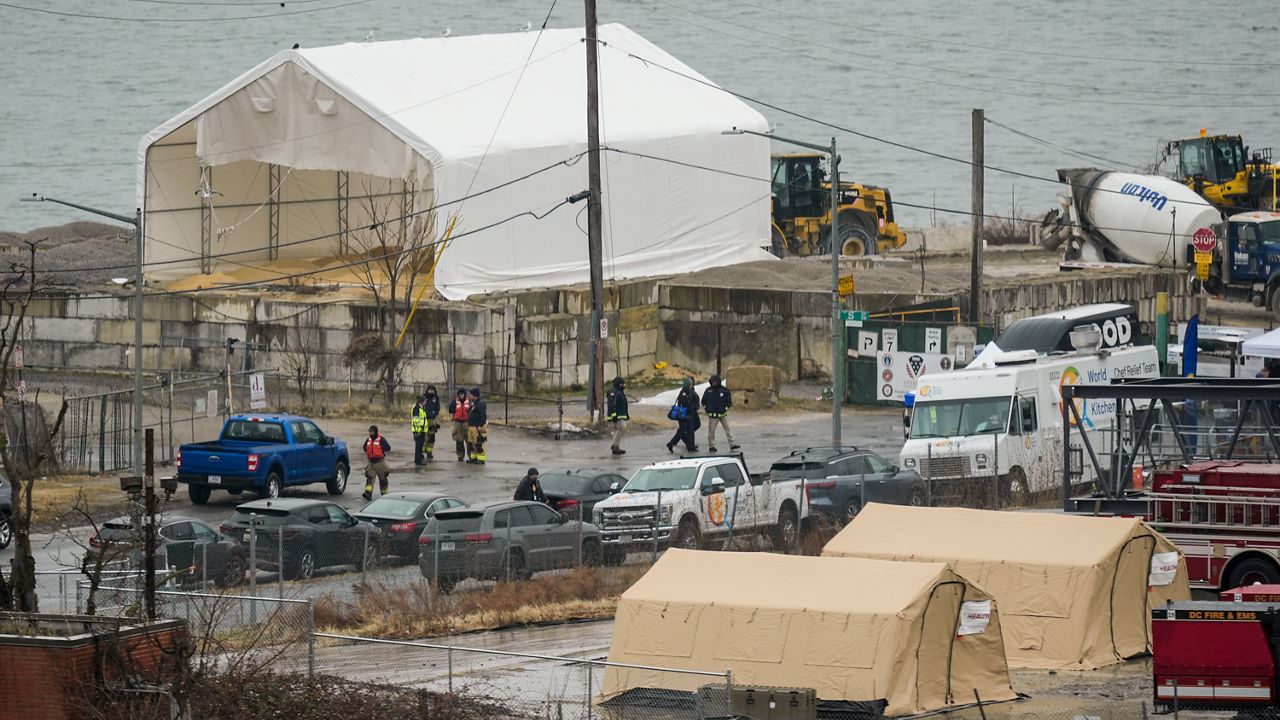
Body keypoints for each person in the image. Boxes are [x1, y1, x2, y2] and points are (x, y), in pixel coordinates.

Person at [700, 374, 739, 453]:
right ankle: (711, 446)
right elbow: (703, 401)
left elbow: (729, 402)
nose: (714, 383)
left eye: (715, 382)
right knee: (711, 431)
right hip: (713, 416)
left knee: (728, 429)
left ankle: (732, 444)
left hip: (723, 415)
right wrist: (707, 409)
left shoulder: (724, 390)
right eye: (712, 382)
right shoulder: (708, 391)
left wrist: (726, 409)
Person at [666, 376, 701, 453]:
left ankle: (690, 446)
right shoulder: (687, 392)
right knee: (685, 431)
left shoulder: (686, 391)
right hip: (686, 415)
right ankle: (673, 444)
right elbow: (688, 404)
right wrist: (693, 408)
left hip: (686, 415)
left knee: (688, 431)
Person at [362, 425, 392, 501]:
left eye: (372, 432)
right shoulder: (368, 440)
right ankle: (368, 493)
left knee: (383, 479)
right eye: (369, 432)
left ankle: (384, 494)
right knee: (370, 478)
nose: (370, 433)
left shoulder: (381, 439)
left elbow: (388, 448)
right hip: (371, 463)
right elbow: (364, 447)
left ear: (375, 432)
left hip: (380, 462)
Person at [606, 376, 629, 456]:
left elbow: (623, 405)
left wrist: (626, 415)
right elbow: (612, 405)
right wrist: (614, 416)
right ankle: (614, 445)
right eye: (622, 384)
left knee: (617, 430)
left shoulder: (619, 392)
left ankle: (616, 448)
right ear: (618, 384)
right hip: (616, 416)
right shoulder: (614, 392)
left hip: (620, 415)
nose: (624, 385)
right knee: (622, 428)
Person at [467, 387, 488, 464]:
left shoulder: (480, 404)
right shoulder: (473, 404)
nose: (469, 396)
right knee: (472, 443)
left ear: (474, 395)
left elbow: (483, 416)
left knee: (479, 443)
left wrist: (480, 425)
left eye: (471, 394)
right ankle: (474, 457)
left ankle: (481, 459)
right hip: (471, 426)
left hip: (477, 427)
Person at [448, 388, 470, 462]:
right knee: (459, 440)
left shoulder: (469, 401)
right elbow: (450, 410)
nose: (461, 395)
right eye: (460, 394)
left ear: (465, 394)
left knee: (469, 440)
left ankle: (471, 455)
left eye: (462, 394)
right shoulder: (455, 401)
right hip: (457, 422)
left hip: (467, 422)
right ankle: (460, 455)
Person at [422, 384, 442, 460]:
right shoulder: (424, 397)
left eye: (432, 390)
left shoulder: (436, 398)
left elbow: (438, 407)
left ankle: (429, 452)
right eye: (429, 390)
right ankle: (422, 451)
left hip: (432, 420)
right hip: (424, 419)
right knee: (424, 436)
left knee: (431, 437)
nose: (431, 392)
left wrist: (435, 413)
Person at [410, 393, 429, 466]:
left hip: (421, 430)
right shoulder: (417, 408)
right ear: (422, 401)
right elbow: (415, 419)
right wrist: (419, 429)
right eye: (425, 401)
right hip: (418, 430)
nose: (426, 402)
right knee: (418, 446)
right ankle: (418, 461)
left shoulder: (421, 408)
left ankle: (419, 458)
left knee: (420, 446)